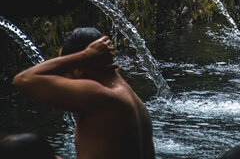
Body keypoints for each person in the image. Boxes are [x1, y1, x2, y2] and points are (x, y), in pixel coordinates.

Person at [12, 27, 155, 159]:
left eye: (64, 69)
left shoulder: (99, 95)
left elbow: (23, 79)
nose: (61, 78)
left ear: (80, 67)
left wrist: (85, 55)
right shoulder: (127, 93)